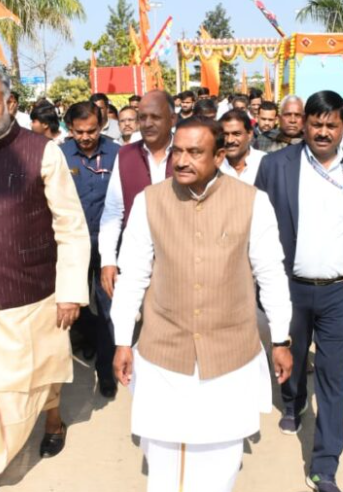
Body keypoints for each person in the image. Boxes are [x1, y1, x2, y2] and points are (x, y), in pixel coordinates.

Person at [111, 116, 293, 492]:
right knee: (163, 453)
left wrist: (281, 339)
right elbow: (133, 276)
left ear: (219, 155)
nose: (182, 160)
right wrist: (123, 340)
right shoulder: (149, 201)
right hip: (164, 352)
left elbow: (272, 274)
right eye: (177, 151)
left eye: (195, 152)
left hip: (230, 356)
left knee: (221, 455)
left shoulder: (252, 202)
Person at [0, 70, 90, 492]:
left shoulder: (43, 152)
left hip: (36, 292)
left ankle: (53, 419)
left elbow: (70, 226)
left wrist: (70, 293)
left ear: (10, 104)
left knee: (43, 374)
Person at [256, 91, 343, 492]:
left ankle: (325, 464)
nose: (322, 132)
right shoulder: (276, 166)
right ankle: (293, 402)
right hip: (290, 290)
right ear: (304, 124)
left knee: (334, 377)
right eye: (315, 124)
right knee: (294, 359)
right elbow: (257, 228)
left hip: (340, 293)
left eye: (331, 125)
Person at [60, 101, 120, 403]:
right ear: (70, 129)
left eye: (92, 131)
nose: (85, 137)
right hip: (72, 246)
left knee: (109, 307)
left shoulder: (117, 154)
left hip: (108, 246)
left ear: (102, 126)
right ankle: (92, 336)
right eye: (79, 132)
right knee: (75, 304)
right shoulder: (59, 156)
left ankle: (106, 371)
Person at [99, 90, 175, 300]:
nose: (148, 124)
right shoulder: (126, 155)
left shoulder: (187, 152)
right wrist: (108, 260)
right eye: (143, 117)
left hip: (183, 259)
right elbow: (114, 211)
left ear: (172, 119)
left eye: (156, 117)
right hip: (137, 262)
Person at [219, 109, 266, 185]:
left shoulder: (264, 162)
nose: (230, 140)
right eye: (225, 135)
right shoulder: (213, 166)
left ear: (249, 134)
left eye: (236, 134)